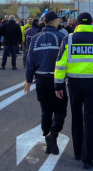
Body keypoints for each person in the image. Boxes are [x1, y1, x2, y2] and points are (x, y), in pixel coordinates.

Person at [54, 12, 93, 169]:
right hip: (91, 84)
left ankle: (77, 152)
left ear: (77, 23)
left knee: (76, 118)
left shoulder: (68, 39)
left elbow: (60, 63)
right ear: (92, 23)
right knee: (90, 120)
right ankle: (87, 159)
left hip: (73, 83)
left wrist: (58, 85)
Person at [23, 11, 67, 154]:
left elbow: (30, 61)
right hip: (57, 80)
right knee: (60, 110)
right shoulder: (61, 37)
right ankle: (52, 134)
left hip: (41, 80)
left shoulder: (35, 38)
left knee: (45, 111)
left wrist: (28, 80)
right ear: (55, 22)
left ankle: (48, 141)